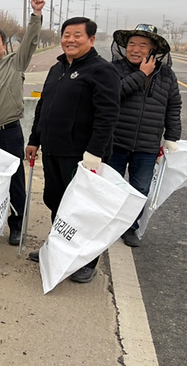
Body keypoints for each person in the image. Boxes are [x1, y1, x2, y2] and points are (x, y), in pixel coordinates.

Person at [25, 16, 121, 283]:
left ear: (91, 39)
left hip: (83, 155)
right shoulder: (57, 68)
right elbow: (43, 107)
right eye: (67, 35)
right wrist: (34, 139)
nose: (70, 40)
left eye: (77, 35)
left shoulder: (102, 71)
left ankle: (86, 261)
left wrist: (95, 152)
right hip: (54, 149)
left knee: (83, 209)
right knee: (56, 201)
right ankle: (58, 248)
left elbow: (108, 115)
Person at [108, 24, 181, 247]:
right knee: (110, 186)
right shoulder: (114, 70)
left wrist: (171, 137)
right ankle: (107, 224)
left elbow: (173, 107)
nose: (135, 49)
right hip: (115, 141)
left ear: (153, 50)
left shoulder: (167, 75)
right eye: (131, 44)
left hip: (147, 145)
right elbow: (112, 95)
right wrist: (141, 74)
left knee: (140, 189)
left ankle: (130, 227)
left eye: (142, 45)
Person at [0, 0, 44, 246]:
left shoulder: (14, 63)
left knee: (15, 182)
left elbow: (30, 42)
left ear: (4, 45)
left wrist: (35, 15)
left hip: (8, 133)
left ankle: (16, 226)